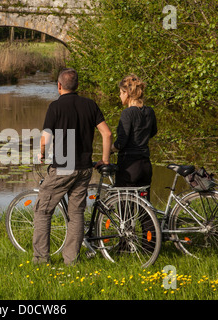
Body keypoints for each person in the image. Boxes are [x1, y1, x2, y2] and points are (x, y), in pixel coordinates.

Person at [33, 68, 112, 266]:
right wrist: (104, 160)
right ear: (77, 86)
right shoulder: (90, 105)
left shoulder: (55, 107)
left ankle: (41, 260)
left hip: (63, 167)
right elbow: (107, 134)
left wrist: (41, 154)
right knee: (76, 214)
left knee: (43, 211)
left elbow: (46, 138)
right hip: (84, 168)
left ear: (59, 86)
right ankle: (71, 261)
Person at [111, 74, 157, 197]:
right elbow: (153, 132)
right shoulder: (150, 111)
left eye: (121, 92)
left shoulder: (127, 113)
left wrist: (110, 149)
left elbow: (121, 142)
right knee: (144, 207)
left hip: (129, 165)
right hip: (145, 164)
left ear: (127, 93)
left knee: (125, 209)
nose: (120, 95)